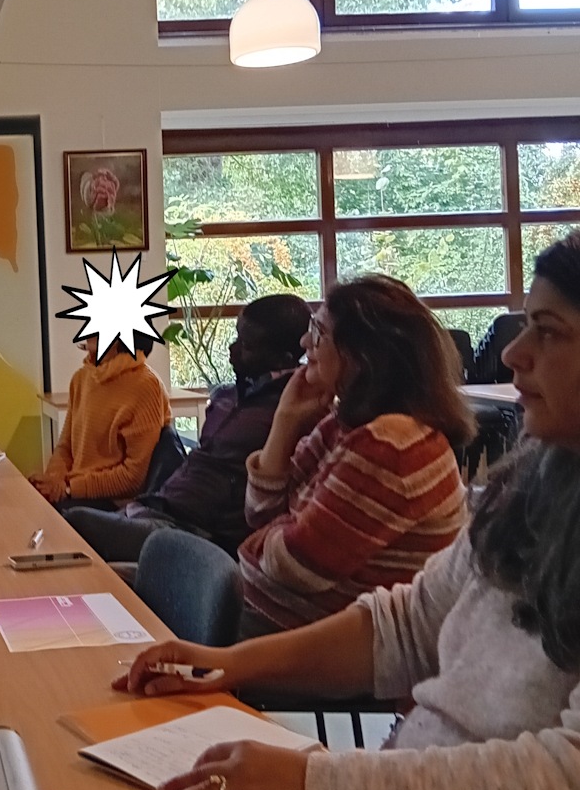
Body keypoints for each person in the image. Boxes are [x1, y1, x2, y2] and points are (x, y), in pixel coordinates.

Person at [114, 232, 580, 790]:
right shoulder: (536, 482)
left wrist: (314, 786)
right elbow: (404, 624)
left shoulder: (405, 446)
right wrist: (230, 663)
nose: (513, 353)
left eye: (549, 331)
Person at [135, 274, 474, 640]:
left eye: (319, 332)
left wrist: (268, 539)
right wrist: (285, 422)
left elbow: (295, 567)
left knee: (128, 623)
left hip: (308, 643)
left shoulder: (391, 445)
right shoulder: (343, 425)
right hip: (267, 614)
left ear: (361, 356)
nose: (304, 342)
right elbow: (259, 513)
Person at [66, 293, 311, 565]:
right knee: (60, 527)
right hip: (159, 508)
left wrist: (68, 487)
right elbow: (65, 446)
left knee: (72, 525)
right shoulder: (226, 397)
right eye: (237, 337)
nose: (232, 348)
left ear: (282, 359)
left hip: (194, 532)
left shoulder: (290, 412)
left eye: (246, 345)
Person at [30, 337, 171, 508]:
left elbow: (134, 478)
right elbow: (65, 447)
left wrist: (69, 488)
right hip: (75, 492)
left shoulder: (145, 385)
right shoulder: (81, 378)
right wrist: (53, 480)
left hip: (116, 504)